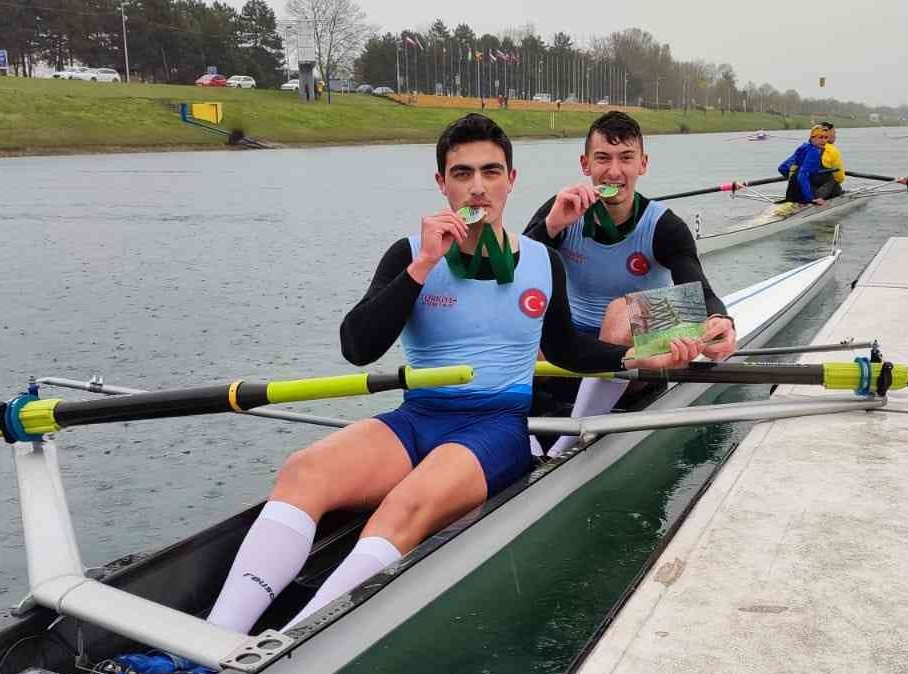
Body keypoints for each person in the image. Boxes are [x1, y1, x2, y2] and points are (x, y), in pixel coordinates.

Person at [201, 114, 701, 641]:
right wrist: (420, 268)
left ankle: (288, 646)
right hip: (418, 417)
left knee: (405, 506)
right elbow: (357, 347)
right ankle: (213, 641)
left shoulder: (543, 260)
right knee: (303, 469)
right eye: (462, 174)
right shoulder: (408, 254)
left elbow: (567, 350)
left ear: (511, 180)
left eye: (491, 172)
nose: (478, 187)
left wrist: (639, 360)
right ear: (442, 183)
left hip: (497, 427)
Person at [524, 111, 737, 456]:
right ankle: (518, 428)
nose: (614, 171)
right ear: (585, 164)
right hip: (576, 346)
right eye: (603, 158)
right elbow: (516, 277)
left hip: (639, 347)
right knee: (522, 322)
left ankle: (569, 443)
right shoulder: (563, 209)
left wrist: (721, 322)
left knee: (617, 313)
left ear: (643, 164)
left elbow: (702, 295)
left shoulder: (665, 226)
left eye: (626, 158)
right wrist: (549, 228)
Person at [777, 125, 837, 205]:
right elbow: (802, 175)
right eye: (820, 137)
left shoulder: (803, 147)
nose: (824, 141)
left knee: (803, 176)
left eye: (826, 138)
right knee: (832, 179)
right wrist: (810, 199)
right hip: (803, 197)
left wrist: (794, 180)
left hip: (791, 194)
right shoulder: (815, 152)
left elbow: (782, 168)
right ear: (812, 138)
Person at [814, 122, 845, 198]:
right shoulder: (832, 150)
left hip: (803, 190)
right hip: (821, 193)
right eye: (834, 132)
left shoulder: (806, 147)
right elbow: (840, 177)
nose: (835, 136)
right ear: (829, 133)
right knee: (834, 180)